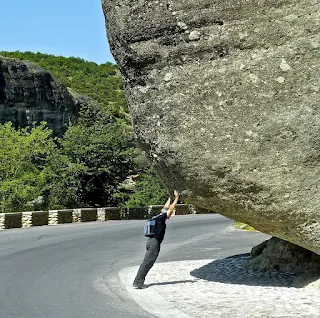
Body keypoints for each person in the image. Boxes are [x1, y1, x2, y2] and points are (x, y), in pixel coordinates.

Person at [133, 190, 179, 289]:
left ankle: (138, 281)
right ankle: (138, 282)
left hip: (150, 241)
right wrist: (176, 198)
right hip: (154, 243)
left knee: (147, 262)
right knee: (147, 262)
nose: (170, 215)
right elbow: (170, 209)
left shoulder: (157, 216)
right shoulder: (162, 218)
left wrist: (170, 198)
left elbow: (166, 208)